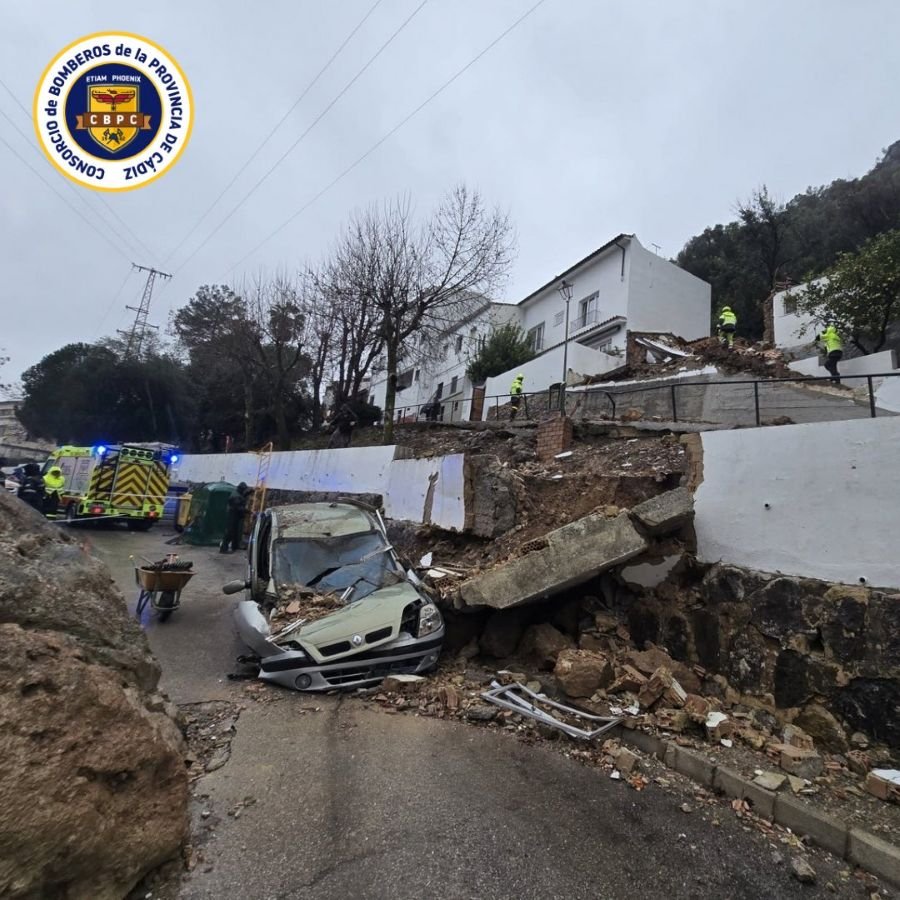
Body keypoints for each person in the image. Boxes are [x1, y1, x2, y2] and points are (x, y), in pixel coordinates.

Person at [220, 482, 252, 554]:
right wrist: (248, 511)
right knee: (230, 532)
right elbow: (238, 507)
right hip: (233, 515)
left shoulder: (237, 493)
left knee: (236, 532)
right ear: (241, 489)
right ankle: (223, 548)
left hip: (236, 516)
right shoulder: (235, 496)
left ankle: (235, 546)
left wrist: (249, 492)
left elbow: (242, 496)